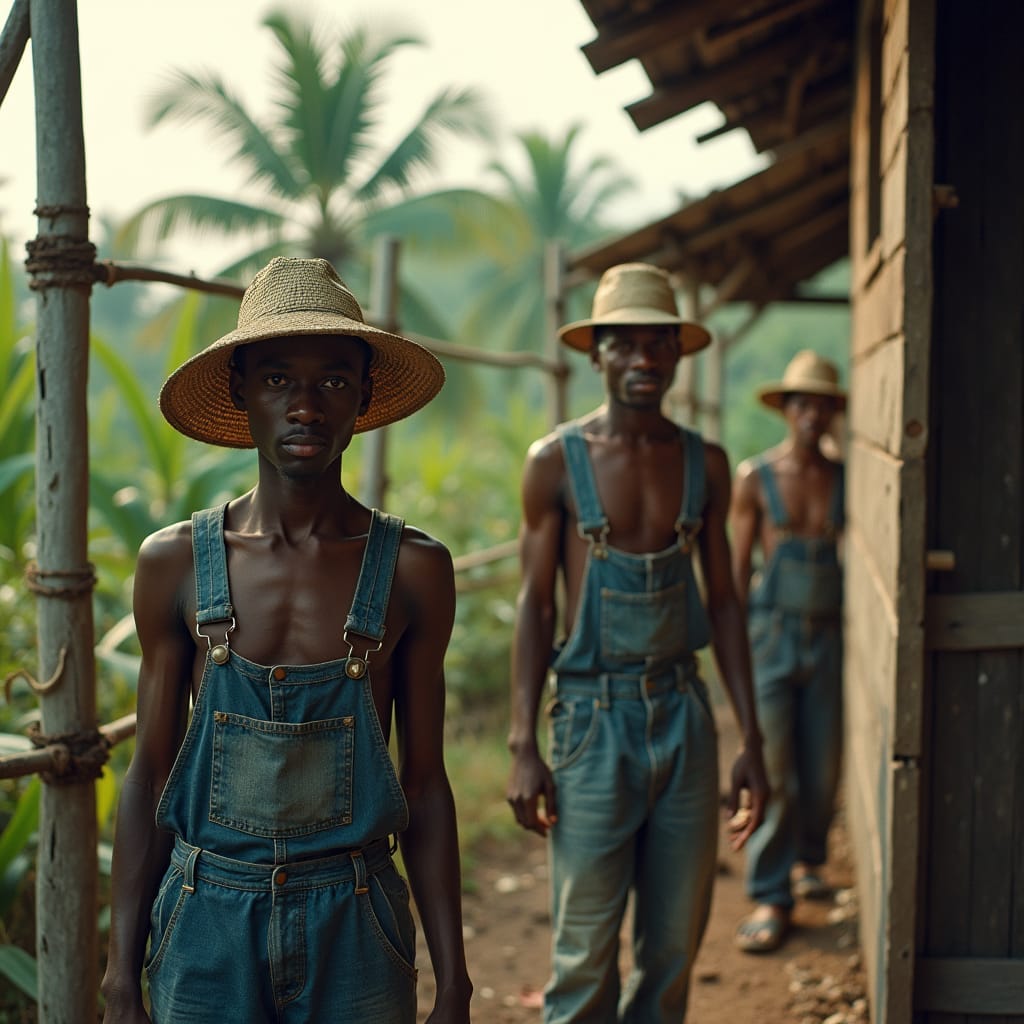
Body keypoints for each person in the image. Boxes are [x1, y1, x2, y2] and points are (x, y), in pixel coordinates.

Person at [100, 257, 473, 1023]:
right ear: (240, 392)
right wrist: (119, 972)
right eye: (277, 380)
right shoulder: (173, 563)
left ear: (364, 396)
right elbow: (149, 776)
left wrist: (456, 980)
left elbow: (427, 784)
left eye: (333, 381)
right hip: (206, 918)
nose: (305, 406)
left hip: (358, 919)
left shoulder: (412, 569)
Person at [506, 262, 768, 1023]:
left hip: (683, 716)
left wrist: (749, 737)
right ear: (597, 354)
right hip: (591, 721)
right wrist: (524, 742)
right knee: (585, 950)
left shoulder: (704, 463)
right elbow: (532, 607)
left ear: (679, 356)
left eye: (659, 346)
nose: (644, 361)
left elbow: (723, 602)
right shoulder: (555, 462)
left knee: (673, 949)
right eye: (625, 345)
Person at [729, 349, 846, 954]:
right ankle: (771, 894)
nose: (812, 414)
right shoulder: (757, 477)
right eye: (802, 403)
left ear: (832, 413)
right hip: (771, 635)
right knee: (775, 768)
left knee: (822, 767)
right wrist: (738, 659)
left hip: (828, 636)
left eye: (822, 405)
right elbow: (736, 570)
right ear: (787, 410)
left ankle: (808, 860)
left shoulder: (843, 477)